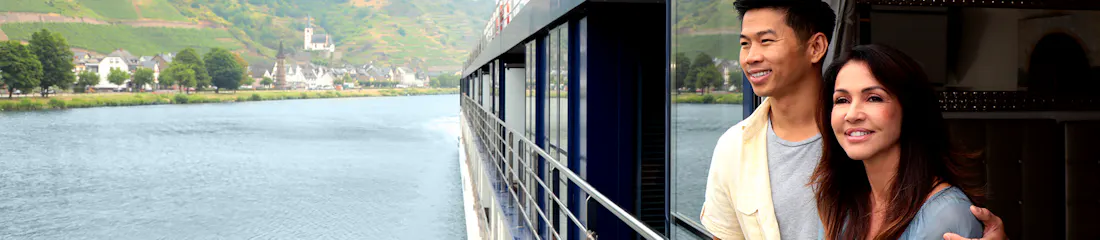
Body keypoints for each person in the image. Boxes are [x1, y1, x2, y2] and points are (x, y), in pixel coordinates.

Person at [699, 0, 1006, 239]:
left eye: (766, 40)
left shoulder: (941, 210)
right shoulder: (735, 148)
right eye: (744, 43)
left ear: (816, 47)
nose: (751, 56)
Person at [812, 44, 981, 239]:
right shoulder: (840, 202)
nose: (852, 115)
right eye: (842, 100)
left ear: (910, 109)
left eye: (873, 98)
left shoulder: (946, 215)